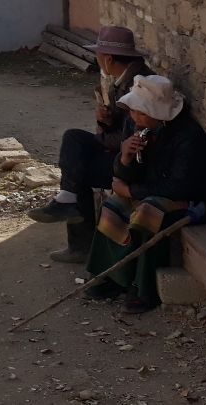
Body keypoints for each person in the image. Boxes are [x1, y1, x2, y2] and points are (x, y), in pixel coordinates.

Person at [84, 74, 206, 312]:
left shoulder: (188, 137)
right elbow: (131, 175)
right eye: (134, 111)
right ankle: (111, 274)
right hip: (158, 193)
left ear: (159, 114)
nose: (135, 117)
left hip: (201, 202)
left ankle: (144, 288)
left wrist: (132, 190)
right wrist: (124, 158)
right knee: (114, 205)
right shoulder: (141, 129)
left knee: (148, 213)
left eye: (141, 113)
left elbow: (181, 187)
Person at [28, 26, 152, 263]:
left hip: (133, 163)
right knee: (73, 138)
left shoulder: (138, 85)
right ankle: (67, 198)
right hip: (119, 151)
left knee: (79, 170)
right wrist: (105, 121)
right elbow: (120, 127)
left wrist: (103, 134)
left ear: (107, 58)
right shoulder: (125, 79)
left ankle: (79, 240)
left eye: (98, 56)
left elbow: (133, 135)